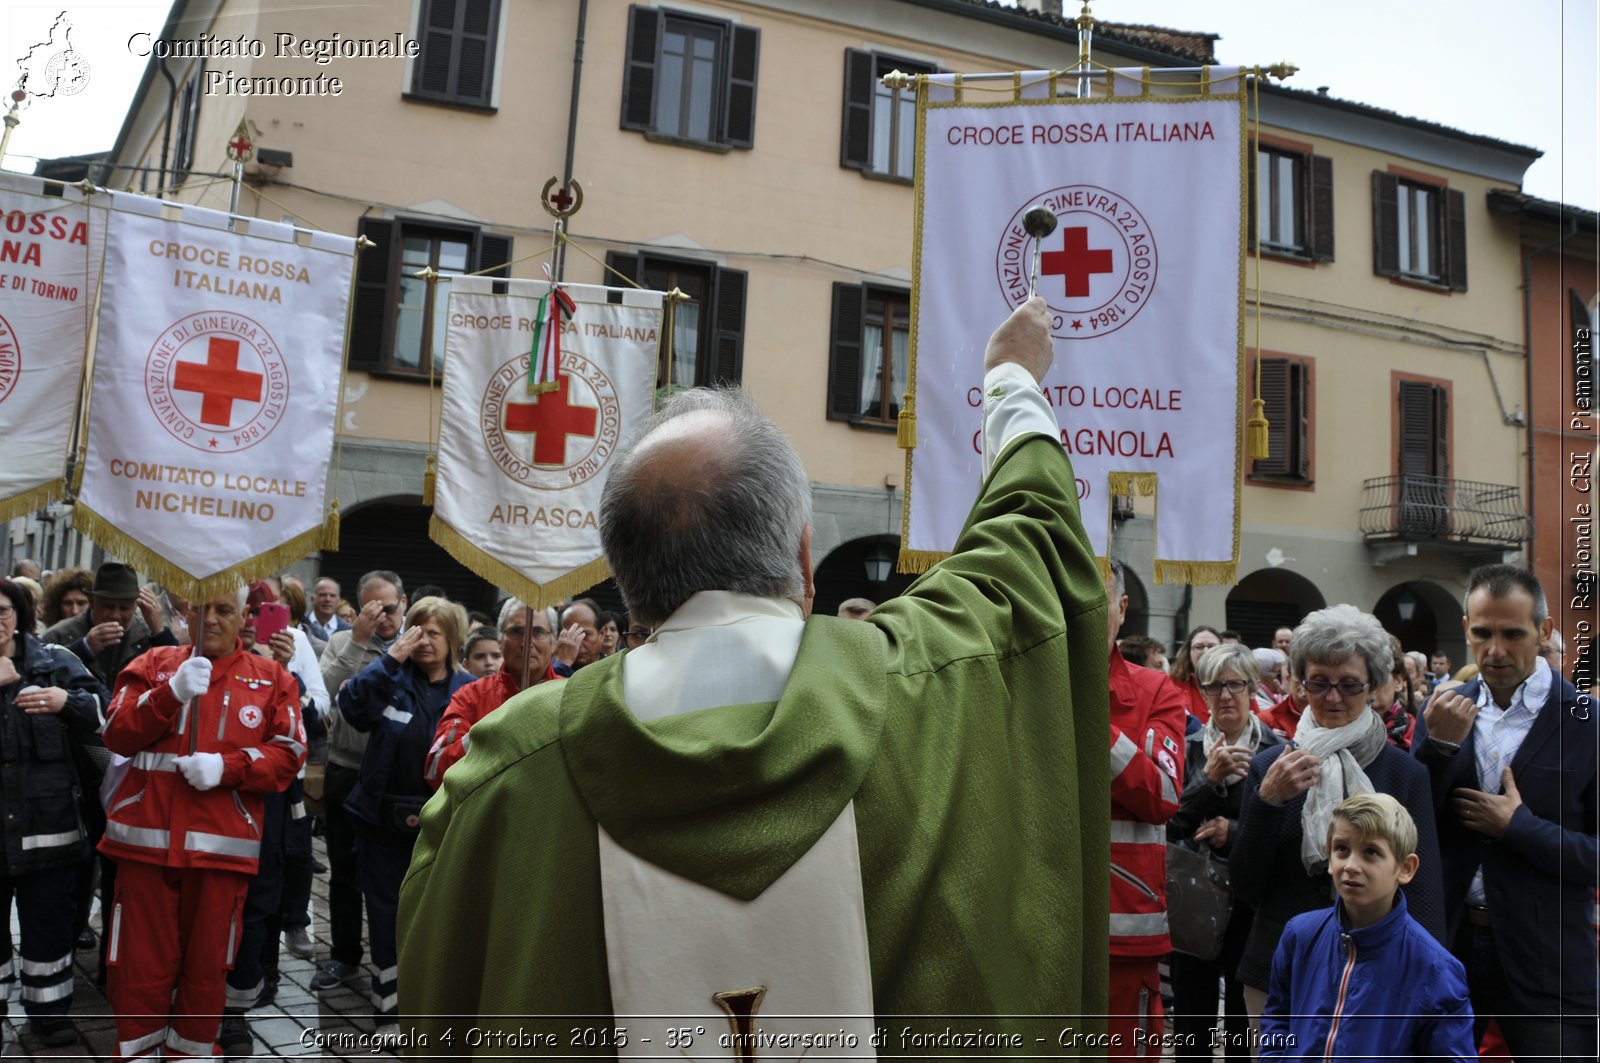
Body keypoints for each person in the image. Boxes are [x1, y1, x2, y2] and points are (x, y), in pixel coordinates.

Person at [399, 298, 1110, 1047]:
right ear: (805, 560)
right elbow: (1027, 539)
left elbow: (440, 989)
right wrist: (1011, 381)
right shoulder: (934, 678)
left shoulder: (509, 770)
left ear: (630, 585)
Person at [100, 589, 304, 1060]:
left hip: (221, 852)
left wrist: (226, 767)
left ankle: (191, 1054)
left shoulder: (271, 677)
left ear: (244, 618)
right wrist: (167, 696)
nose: (210, 620)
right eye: (201, 609)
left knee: (207, 971)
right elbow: (116, 734)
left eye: (224, 610)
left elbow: (289, 755)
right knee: (138, 970)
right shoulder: (153, 664)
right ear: (186, 611)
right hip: (144, 848)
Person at [1229, 603, 1444, 1030]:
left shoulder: (1404, 774)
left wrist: (1420, 981)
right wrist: (1269, 801)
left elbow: (1421, 892)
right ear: (1298, 684)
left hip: (1378, 974)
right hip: (1278, 968)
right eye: (1319, 683)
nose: (1332, 698)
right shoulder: (1270, 766)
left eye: (1349, 685)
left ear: (1375, 686)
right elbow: (1246, 885)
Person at [1418, 564, 1598, 1059]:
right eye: (1482, 633)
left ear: (1544, 631)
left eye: (1512, 633)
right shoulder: (1441, 710)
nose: (1495, 650)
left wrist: (1520, 828)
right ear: (1465, 630)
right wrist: (1436, 750)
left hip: (1550, 962)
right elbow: (1410, 831)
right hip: (1446, 949)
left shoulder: (1588, 723)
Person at [338, 596, 471, 1042]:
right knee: (386, 918)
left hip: (442, 822)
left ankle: (432, 1007)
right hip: (381, 821)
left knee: (438, 917)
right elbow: (353, 708)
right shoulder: (389, 680)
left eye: (435, 632)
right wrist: (390, 658)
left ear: (452, 638)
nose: (426, 640)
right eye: (418, 630)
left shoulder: (467, 689)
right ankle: (389, 1014)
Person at [1260, 793, 1474, 1061]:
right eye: (1342, 849)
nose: (1351, 866)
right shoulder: (1300, 934)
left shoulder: (1435, 969)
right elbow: (1277, 1016)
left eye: (1371, 852)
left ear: (1406, 868)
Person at [219, 582, 329, 1056]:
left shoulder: (290, 649)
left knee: (259, 899)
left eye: (255, 610)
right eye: (236, 610)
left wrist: (281, 671)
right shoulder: (201, 653)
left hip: (270, 798)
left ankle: (235, 1009)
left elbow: (304, 728)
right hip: (210, 802)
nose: (249, 618)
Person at [0, 579, 108, 1046]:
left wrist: (69, 702)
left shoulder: (55, 662)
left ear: (19, 614)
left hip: (51, 828)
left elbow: (110, 715)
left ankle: (50, 1011)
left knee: (49, 922)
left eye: (2, 610)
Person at [1166, 643, 1282, 1062]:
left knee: (1241, 1022)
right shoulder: (1187, 745)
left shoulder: (1276, 748)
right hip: (1194, 901)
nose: (1226, 695)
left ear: (1253, 689)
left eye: (1235, 684)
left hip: (1252, 905)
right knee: (1192, 1019)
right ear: (1202, 692)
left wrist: (1233, 832)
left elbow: (1286, 828)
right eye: (1215, 686)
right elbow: (1169, 821)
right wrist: (1207, 778)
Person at [311, 569, 407, 995]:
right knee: (345, 871)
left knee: (397, 874)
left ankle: (398, 961)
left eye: (387, 608)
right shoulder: (342, 643)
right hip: (347, 769)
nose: (381, 617)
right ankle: (345, 955)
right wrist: (357, 640)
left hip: (397, 776)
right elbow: (322, 690)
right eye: (371, 609)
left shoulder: (415, 644)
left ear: (403, 604)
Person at [1104, 558, 1186, 1053]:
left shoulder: (1155, 688)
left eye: (1097, 600)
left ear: (1122, 607)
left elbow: (1162, 794)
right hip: (1032, 923)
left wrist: (1089, 715)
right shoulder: (1025, 685)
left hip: (1124, 933)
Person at [425, 600, 561, 788]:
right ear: (500, 641)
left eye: (537, 632)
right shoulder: (471, 696)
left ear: (554, 642)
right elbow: (436, 768)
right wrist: (494, 733)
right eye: (516, 632)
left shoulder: (570, 694)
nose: (526, 642)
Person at [42, 562, 178, 689]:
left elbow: (176, 673)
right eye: (108, 607)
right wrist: (84, 648)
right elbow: (41, 675)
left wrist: (160, 633)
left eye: (124, 608)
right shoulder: (58, 634)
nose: (115, 615)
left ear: (135, 605)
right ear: (91, 601)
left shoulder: (148, 632)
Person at [1170, 625, 1221, 726]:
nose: (1206, 651)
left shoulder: (1238, 683)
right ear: (1189, 653)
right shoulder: (1171, 685)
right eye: (1199, 647)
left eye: (1212, 646)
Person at [551, 598, 602, 674]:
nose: (578, 643)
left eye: (585, 635)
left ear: (601, 634)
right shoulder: (545, 670)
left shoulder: (614, 670)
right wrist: (562, 665)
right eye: (571, 635)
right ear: (559, 636)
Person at [1251, 646, 1288, 713]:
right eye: (1278, 674)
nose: (1281, 678)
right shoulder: (1259, 703)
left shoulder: (1274, 696)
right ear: (1262, 677)